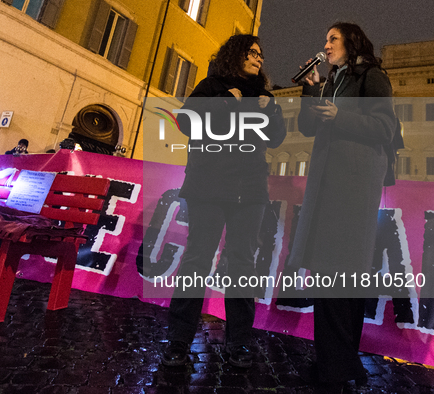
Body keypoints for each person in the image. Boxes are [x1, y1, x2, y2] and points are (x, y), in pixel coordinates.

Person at [161, 34, 286, 368]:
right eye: (253, 52)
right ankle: (178, 339)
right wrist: (221, 104)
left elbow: (276, 138)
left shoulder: (264, 96)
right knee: (198, 260)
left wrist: (271, 110)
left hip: (251, 189)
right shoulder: (211, 85)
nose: (259, 58)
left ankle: (240, 343)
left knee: (243, 264)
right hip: (209, 185)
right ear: (236, 54)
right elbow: (185, 122)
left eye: (261, 54)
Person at [289, 23, 397, 393]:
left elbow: (385, 127)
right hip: (327, 187)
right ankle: (339, 363)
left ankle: (334, 369)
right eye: (325, 39)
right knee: (335, 277)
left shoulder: (372, 76)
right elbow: (308, 126)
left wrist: (341, 116)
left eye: (332, 39)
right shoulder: (331, 81)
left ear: (351, 43)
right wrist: (309, 89)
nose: (325, 44)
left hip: (352, 190)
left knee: (334, 274)